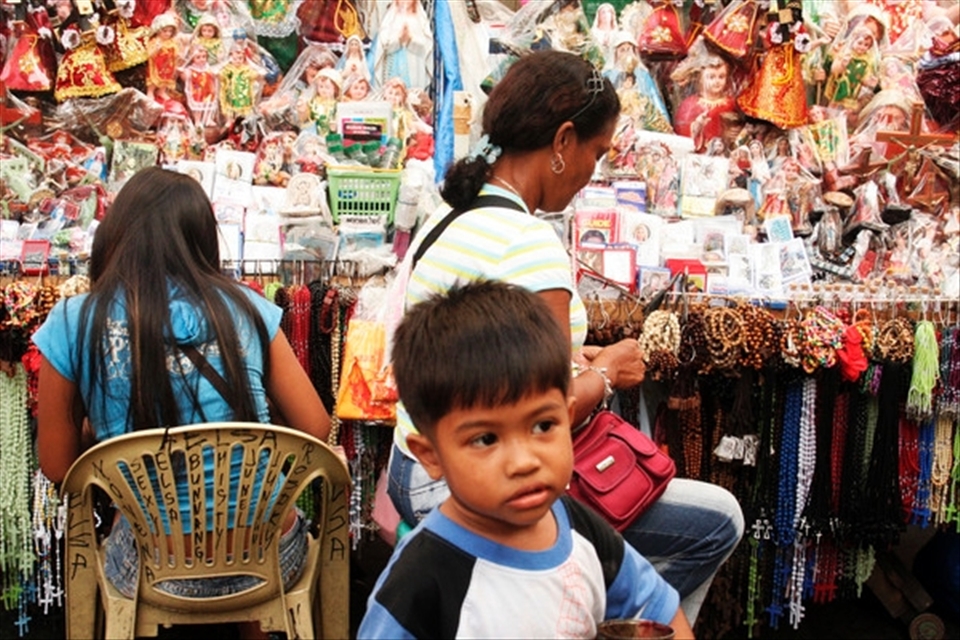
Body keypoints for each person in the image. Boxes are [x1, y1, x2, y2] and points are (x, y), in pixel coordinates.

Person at [386, 49, 743, 625]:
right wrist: (607, 373)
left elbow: (481, 357)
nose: (592, 174)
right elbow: (544, 412)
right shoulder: (530, 244)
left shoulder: (446, 216)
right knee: (720, 520)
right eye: (596, 154)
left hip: (413, 464)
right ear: (563, 140)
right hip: (467, 481)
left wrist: (574, 356)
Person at [34, 168, 331, 636]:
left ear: (116, 234)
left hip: (149, 567)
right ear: (203, 239)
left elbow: (57, 466)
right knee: (259, 521)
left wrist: (102, 434)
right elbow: (314, 427)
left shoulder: (74, 320)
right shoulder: (247, 307)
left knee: (126, 528)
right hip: (264, 561)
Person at [361, 280, 695, 639]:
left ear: (568, 418)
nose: (523, 461)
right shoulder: (422, 578)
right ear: (431, 456)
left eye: (542, 425)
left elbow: (658, 611)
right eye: (486, 439)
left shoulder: (581, 529)